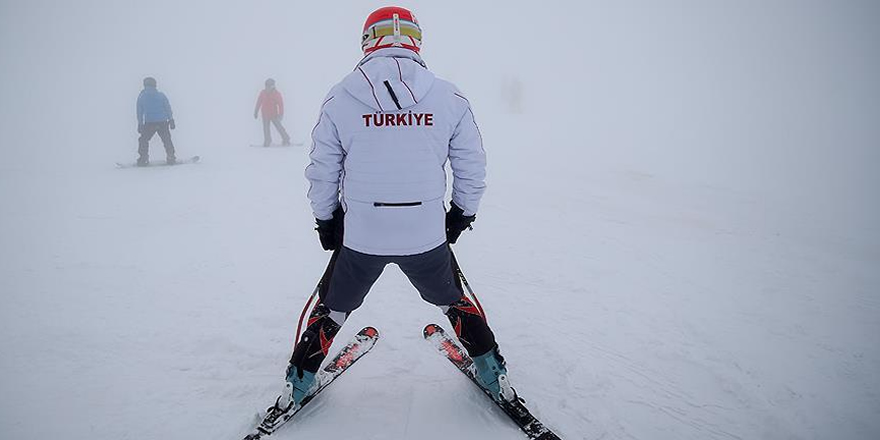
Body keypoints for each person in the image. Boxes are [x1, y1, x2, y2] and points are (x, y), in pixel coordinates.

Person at [279, 6, 512, 410]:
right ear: (416, 40)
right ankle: (493, 372)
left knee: (333, 306)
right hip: (424, 233)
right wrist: (461, 214)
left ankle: (297, 384)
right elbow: (471, 165)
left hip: (363, 235)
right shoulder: (448, 96)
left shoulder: (341, 95)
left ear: (368, 41)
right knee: (452, 300)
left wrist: (326, 219)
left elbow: (322, 169)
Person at [136, 77, 176, 166]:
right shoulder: (161, 95)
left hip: (149, 123)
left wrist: (140, 124)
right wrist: (171, 119)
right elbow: (168, 108)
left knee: (143, 140)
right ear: (155, 85)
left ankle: (143, 158)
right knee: (166, 139)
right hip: (162, 122)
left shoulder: (141, 96)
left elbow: (139, 111)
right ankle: (171, 157)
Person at [254, 78, 291, 146]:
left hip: (274, 114)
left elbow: (280, 104)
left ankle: (286, 139)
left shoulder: (276, 94)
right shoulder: (263, 93)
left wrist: (280, 114)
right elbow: (259, 102)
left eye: (269, 86)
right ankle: (267, 141)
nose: (267, 87)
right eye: (266, 86)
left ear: (272, 86)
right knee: (266, 129)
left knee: (279, 127)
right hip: (265, 114)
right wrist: (256, 111)